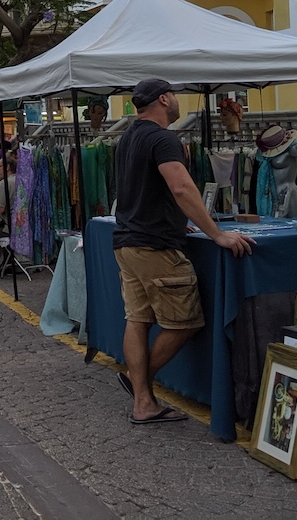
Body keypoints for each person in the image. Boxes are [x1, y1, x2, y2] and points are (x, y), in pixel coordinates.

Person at [114, 78, 255, 425]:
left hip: (128, 241)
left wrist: (179, 220)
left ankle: (143, 402)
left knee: (138, 319)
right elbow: (180, 187)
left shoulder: (128, 137)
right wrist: (217, 233)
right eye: (174, 96)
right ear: (164, 99)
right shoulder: (163, 138)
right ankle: (140, 385)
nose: (177, 103)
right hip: (155, 245)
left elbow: (147, 191)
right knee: (184, 322)